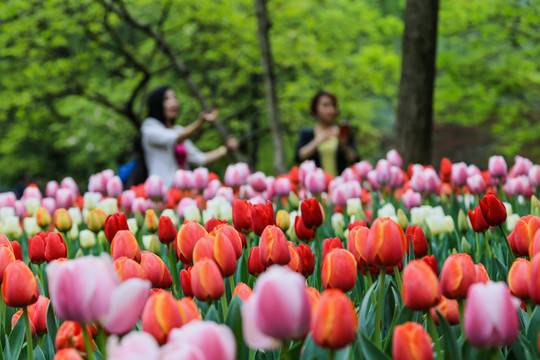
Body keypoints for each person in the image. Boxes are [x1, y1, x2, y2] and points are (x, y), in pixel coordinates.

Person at [138, 85, 237, 188]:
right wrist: (200, 122)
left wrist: (225, 149)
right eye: (167, 99)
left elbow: (199, 158)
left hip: (184, 190)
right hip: (162, 190)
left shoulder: (179, 129)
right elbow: (175, 138)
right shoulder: (149, 127)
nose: (174, 102)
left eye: (175, 98)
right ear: (157, 103)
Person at [295, 91, 359, 176]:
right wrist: (319, 140)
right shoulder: (308, 133)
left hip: (340, 184)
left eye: (333, 105)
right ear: (315, 108)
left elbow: (354, 160)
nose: (331, 110)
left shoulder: (342, 133)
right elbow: (299, 157)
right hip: (316, 185)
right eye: (325, 105)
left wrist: (344, 146)